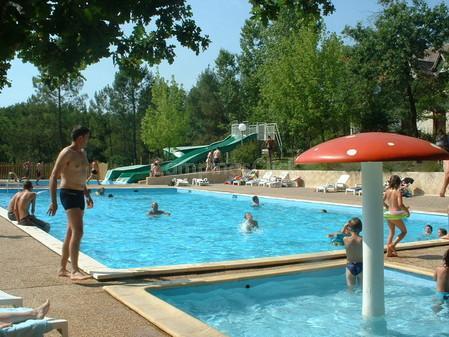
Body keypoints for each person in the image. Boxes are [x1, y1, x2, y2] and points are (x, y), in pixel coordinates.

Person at [47, 125, 93, 281]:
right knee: (78, 231)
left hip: (79, 194)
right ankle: (74, 271)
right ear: (80, 138)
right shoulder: (67, 153)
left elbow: (81, 175)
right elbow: (53, 176)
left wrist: (87, 194)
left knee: (71, 232)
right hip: (68, 193)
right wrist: (53, 201)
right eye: (87, 137)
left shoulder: (83, 153)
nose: (88, 140)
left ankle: (62, 268)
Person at [383, 175, 410, 257]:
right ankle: (392, 245)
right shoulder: (398, 191)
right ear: (398, 182)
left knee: (391, 232)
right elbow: (400, 204)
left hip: (388, 214)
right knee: (404, 232)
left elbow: (381, 201)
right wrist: (407, 211)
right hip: (395, 214)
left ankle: (389, 252)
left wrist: (387, 206)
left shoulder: (387, 190)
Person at [343, 217, 363, 289]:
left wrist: (345, 227)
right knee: (363, 289)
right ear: (361, 228)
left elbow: (339, 235)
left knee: (350, 290)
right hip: (362, 266)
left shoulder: (345, 239)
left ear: (349, 228)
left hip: (350, 266)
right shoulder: (363, 240)